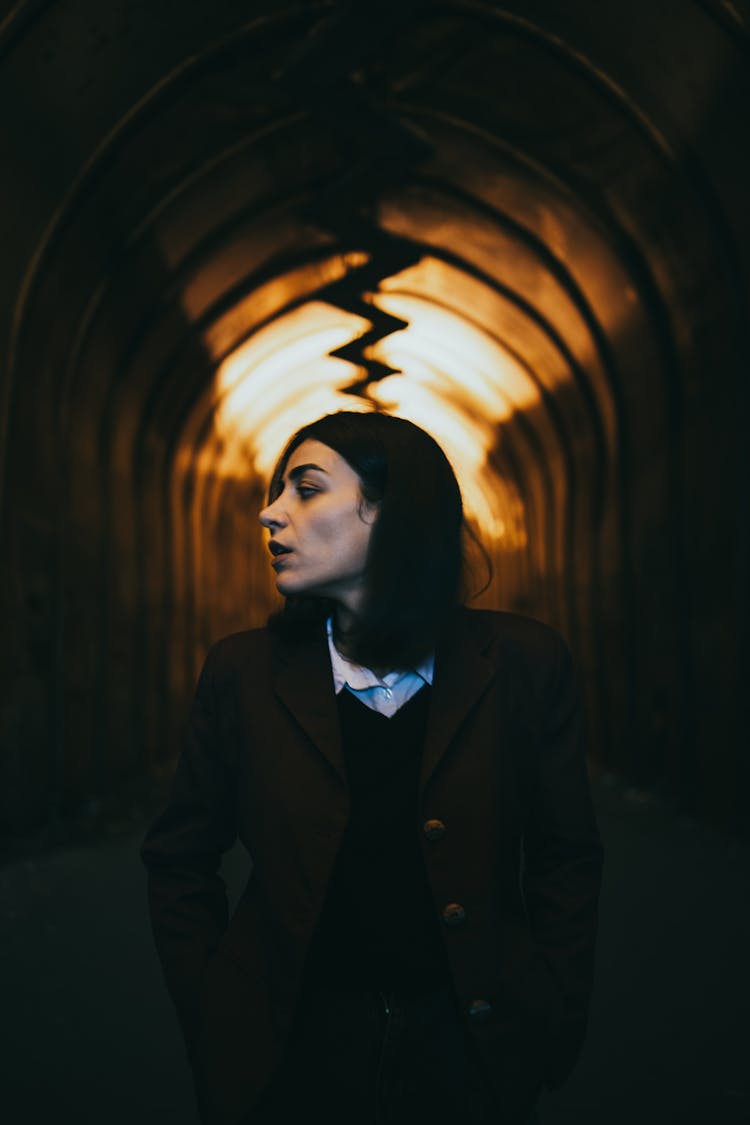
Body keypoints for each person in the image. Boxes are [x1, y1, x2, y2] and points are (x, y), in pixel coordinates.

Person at [141, 410, 603, 1125]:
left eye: (306, 488)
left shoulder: (522, 665)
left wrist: (552, 1008)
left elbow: (565, 855)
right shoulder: (243, 673)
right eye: (278, 491)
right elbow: (179, 857)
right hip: (290, 1060)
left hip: (467, 1059)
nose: (270, 513)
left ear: (394, 514)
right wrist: (214, 1013)